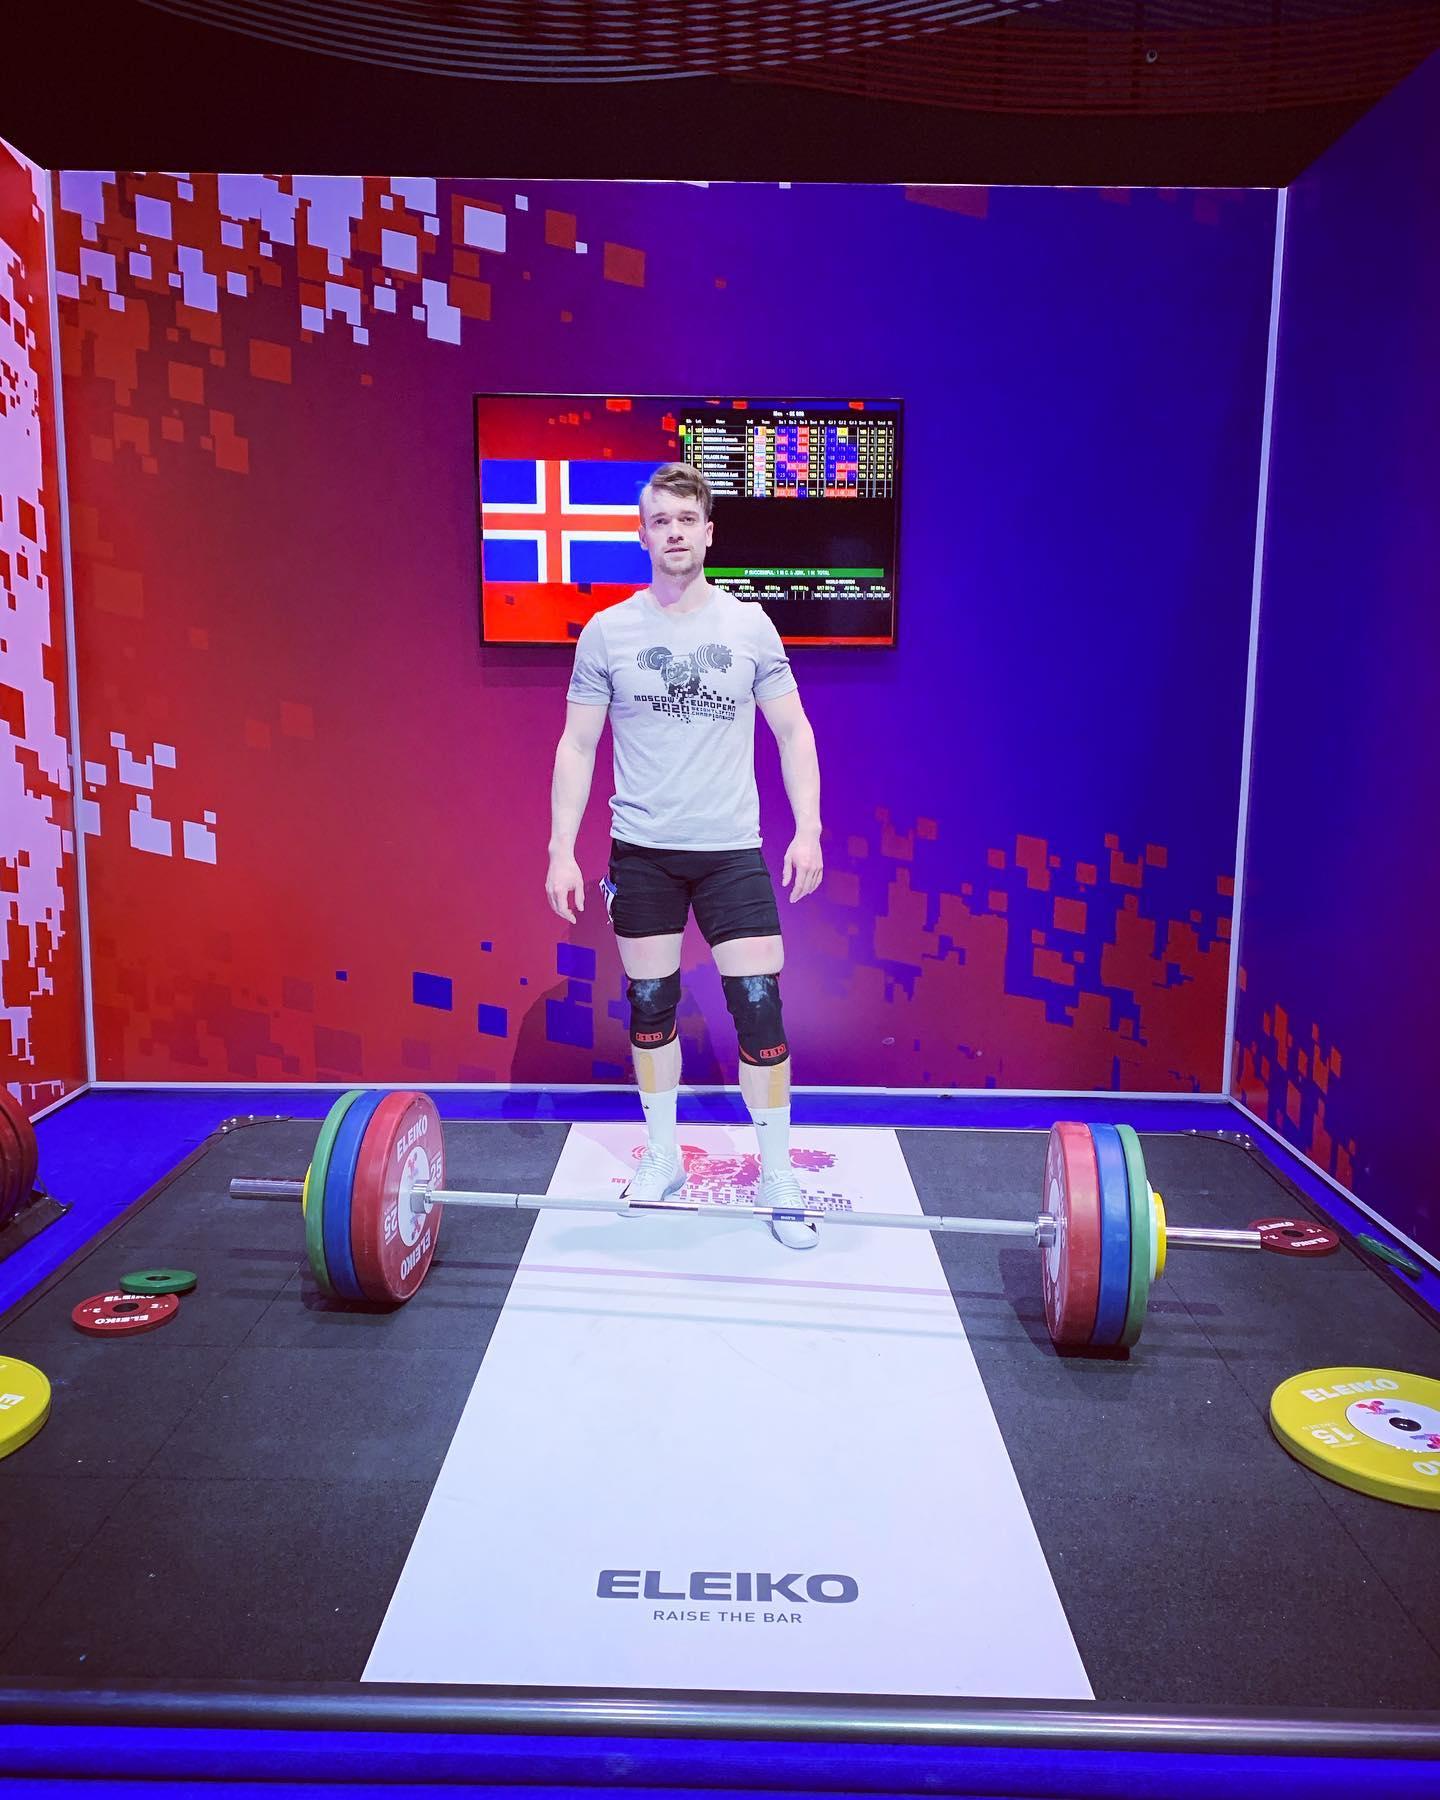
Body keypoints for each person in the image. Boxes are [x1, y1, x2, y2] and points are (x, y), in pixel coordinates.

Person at [545, 461, 823, 1249]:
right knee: (650, 1002)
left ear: (708, 533)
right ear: (642, 535)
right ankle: (663, 1157)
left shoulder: (750, 626)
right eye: (660, 520)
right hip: (643, 852)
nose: (673, 532)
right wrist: (560, 849)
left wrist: (809, 829)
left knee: (759, 1004)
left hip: (731, 849)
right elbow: (576, 745)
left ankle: (777, 1174)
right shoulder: (608, 632)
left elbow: (793, 730)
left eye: (686, 519)